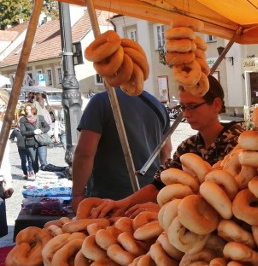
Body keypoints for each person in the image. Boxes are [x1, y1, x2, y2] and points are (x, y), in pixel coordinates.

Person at [93, 75, 244, 218]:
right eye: (183, 107)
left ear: (216, 105)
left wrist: (165, 209)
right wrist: (123, 203)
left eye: (192, 106)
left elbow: (228, 197)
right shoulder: (188, 146)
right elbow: (159, 183)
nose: (186, 114)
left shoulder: (237, 143)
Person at [71, 87, 173, 212]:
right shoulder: (157, 105)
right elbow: (166, 151)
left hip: (109, 198)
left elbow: (85, 153)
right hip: (149, 194)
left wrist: (77, 194)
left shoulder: (101, 101)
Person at [19, 102, 50, 175]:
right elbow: (23, 132)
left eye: (29, 109)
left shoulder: (40, 117)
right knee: (33, 161)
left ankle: (45, 175)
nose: (28, 111)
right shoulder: (23, 120)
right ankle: (37, 174)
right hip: (30, 143)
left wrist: (41, 131)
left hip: (41, 142)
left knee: (43, 160)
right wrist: (33, 132)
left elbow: (47, 127)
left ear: (33, 110)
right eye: (26, 109)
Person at [10, 109, 35, 180]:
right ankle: (25, 173)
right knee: (23, 161)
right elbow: (10, 139)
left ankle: (31, 172)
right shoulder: (16, 131)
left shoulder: (28, 128)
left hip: (29, 146)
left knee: (30, 160)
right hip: (21, 148)